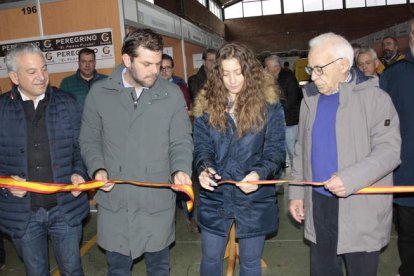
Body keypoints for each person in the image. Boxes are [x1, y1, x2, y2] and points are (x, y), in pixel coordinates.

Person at [79, 28, 193, 276]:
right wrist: (97, 168)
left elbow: (181, 141)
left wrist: (181, 169)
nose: (155, 70)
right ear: (127, 60)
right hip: (116, 202)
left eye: (158, 63)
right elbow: (89, 139)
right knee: (118, 269)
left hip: (156, 201)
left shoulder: (171, 95)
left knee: (159, 268)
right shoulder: (99, 93)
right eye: (147, 64)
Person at [288, 33, 401, 276]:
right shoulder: (310, 100)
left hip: (360, 204)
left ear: (342, 65)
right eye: (311, 68)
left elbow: (389, 151)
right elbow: (300, 150)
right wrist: (297, 193)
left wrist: (350, 179)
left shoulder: (375, 99)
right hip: (318, 205)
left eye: (319, 69)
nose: (313, 76)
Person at [193, 43, 286, 276]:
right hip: (216, 195)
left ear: (249, 71)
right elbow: (202, 147)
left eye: (238, 72)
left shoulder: (270, 106)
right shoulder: (207, 106)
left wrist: (259, 173)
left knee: (250, 262)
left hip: (254, 197)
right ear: (218, 74)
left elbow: (275, 151)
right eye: (225, 73)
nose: (232, 80)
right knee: (211, 258)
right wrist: (205, 169)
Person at [0, 43, 89, 276]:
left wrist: (80, 172)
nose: (41, 77)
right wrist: (6, 183)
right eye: (32, 72)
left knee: (72, 269)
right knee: (36, 272)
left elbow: (82, 148)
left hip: (65, 209)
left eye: (44, 68)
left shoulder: (67, 103)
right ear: (14, 77)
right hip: (23, 214)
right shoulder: (1, 109)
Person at [380, 19, 414, 276]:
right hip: (406, 174)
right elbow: (379, 129)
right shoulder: (392, 76)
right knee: (408, 239)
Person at [265, 54, 303, 170]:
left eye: (267, 67)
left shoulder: (288, 77)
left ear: (275, 67)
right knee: (281, 149)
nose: (265, 69)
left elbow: (292, 99)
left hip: (290, 120)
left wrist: (277, 113)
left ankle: (297, 173)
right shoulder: (268, 79)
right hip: (277, 121)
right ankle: (286, 173)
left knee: (292, 148)